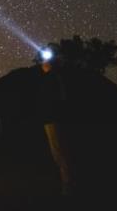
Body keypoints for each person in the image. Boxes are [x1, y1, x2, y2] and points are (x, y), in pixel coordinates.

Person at [39, 58, 76, 196]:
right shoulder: (52, 78)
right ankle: (64, 182)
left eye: (45, 62)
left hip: (53, 119)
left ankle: (67, 184)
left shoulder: (53, 78)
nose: (42, 64)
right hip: (51, 119)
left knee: (59, 151)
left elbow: (56, 99)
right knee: (58, 151)